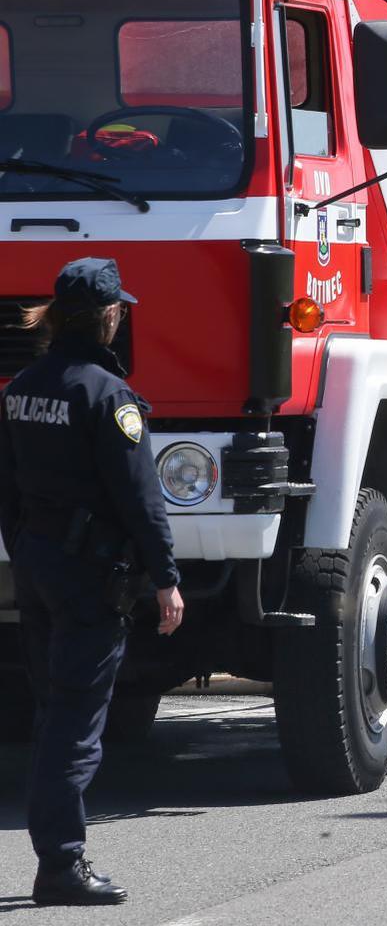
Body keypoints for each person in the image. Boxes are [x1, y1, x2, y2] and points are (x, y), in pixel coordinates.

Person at [0, 258, 183, 906]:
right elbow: (141, 498)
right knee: (76, 722)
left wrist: (21, 549)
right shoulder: (111, 398)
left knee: (55, 709)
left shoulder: (22, 386)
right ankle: (61, 865)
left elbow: (8, 485)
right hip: (87, 575)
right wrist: (166, 578)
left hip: (38, 564)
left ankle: (59, 852)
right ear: (110, 316)